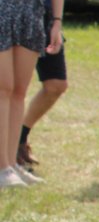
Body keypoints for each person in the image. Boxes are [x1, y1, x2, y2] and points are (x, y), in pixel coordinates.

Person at [0, 0, 62, 188]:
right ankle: (2, 168)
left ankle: (11, 163)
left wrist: (57, 20)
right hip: (2, 4)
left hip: (31, 9)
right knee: (3, 86)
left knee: (19, 90)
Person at [17, 38, 66, 172]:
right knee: (10, 89)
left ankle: (19, 138)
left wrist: (56, 22)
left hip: (42, 22)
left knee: (56, 85)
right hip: (9, 22)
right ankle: (10, 152)